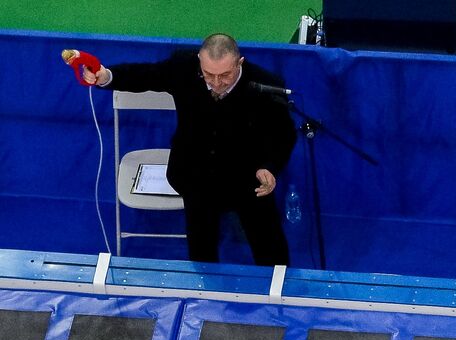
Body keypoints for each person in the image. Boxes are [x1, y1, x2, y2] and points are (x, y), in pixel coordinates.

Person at [84, 34, 297, 266]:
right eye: (209, 74)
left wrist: (269, 167)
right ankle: (204, 298)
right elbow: (145, 75)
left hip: (247, 177)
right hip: (196, 174)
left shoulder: (265, 84)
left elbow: (284, 134)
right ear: (199, 61)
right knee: (201, 249)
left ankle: (279, 296)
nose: (216, 83)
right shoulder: (184, 68)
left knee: (271, 248)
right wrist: (107, 76)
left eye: (225, 75)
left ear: (240, 63)